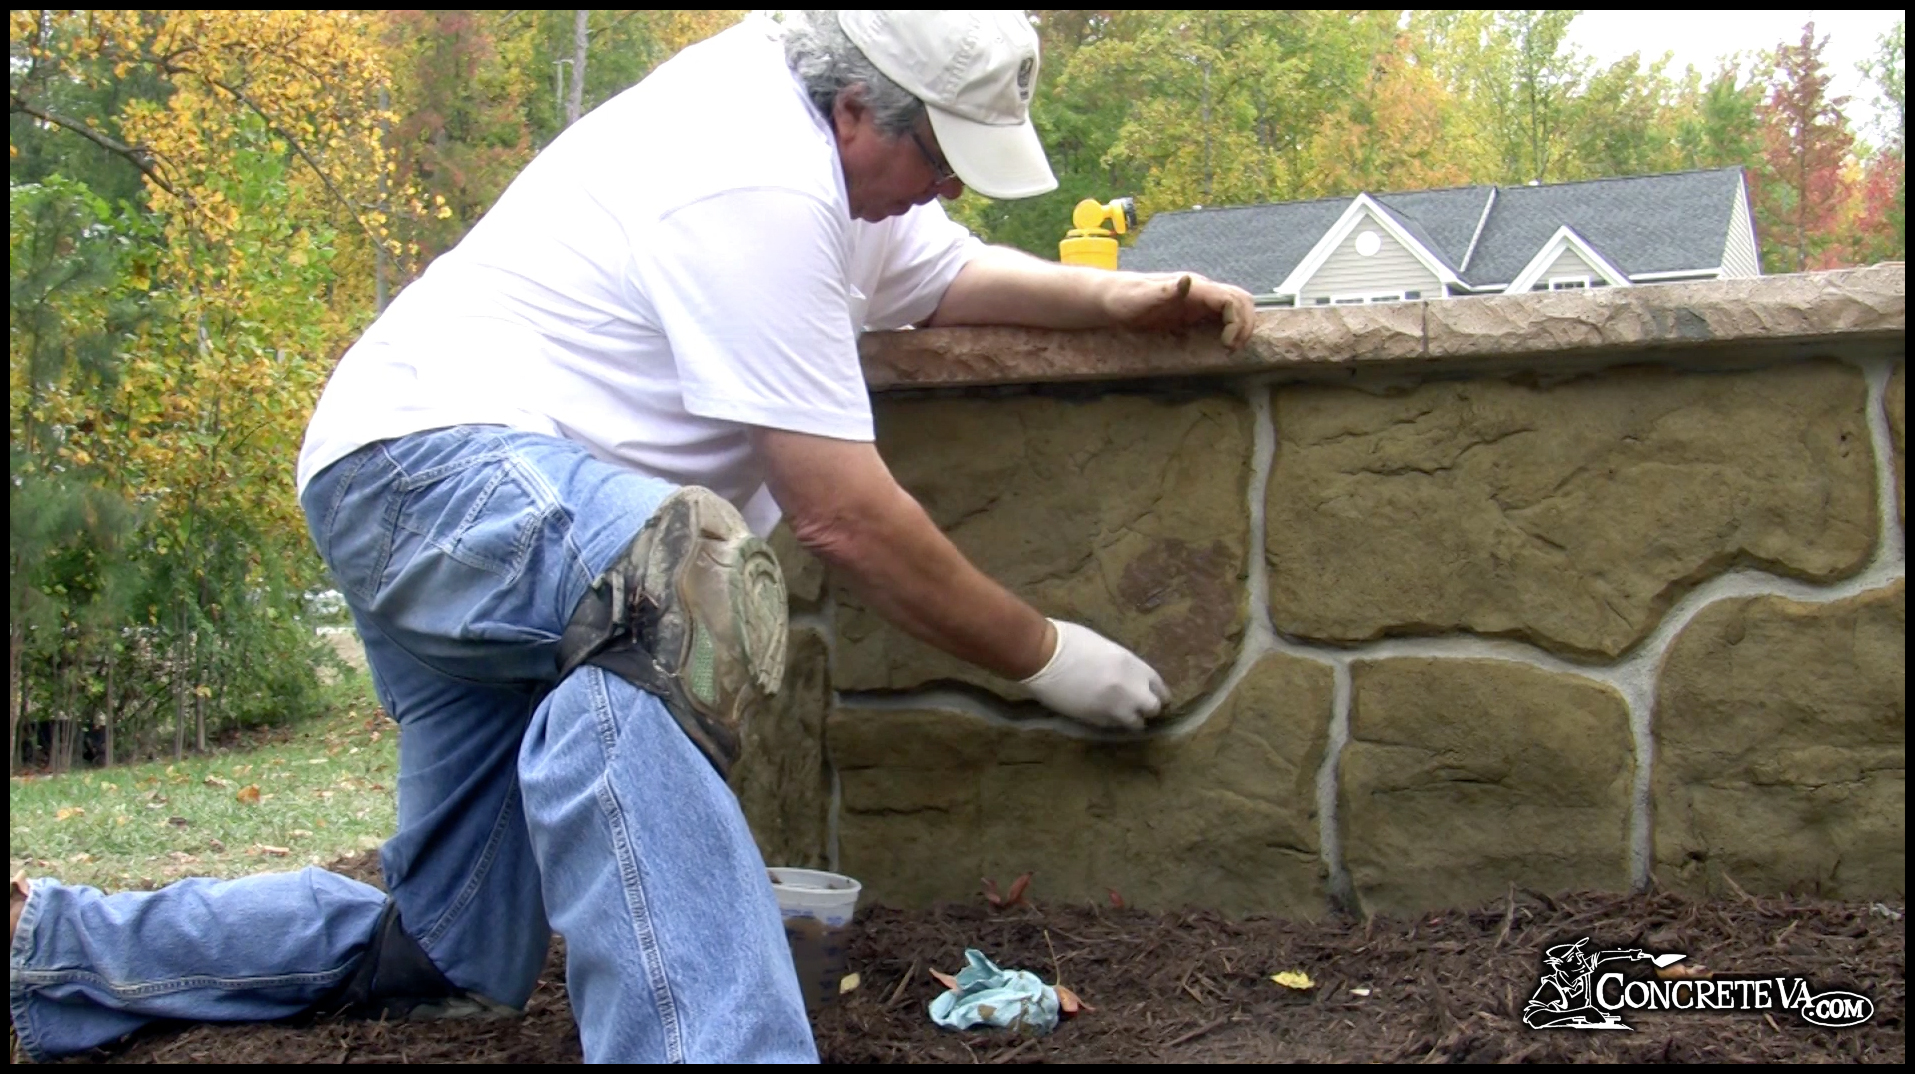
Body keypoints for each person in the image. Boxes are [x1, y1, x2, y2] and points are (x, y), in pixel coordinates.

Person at [8, 10, 1256, 1062]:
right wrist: (1047, 657)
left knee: (447, 950)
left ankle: (52, 954)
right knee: (682, 587)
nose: (954, 183)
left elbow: (936, 271)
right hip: (440, 472)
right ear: (857, 113)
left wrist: (1116, 296)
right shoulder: (755, 175)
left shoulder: (822, 145)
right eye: (945, 154)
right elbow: (840, 512)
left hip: (490, 534)